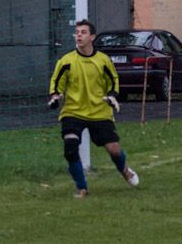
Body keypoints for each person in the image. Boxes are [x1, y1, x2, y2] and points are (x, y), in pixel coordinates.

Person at [49, 19, 139, 198]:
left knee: (113, 149)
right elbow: (56, 83)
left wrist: (111, 96)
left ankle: (124, 170)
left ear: (92, 37)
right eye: (77, 32)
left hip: (99, 111)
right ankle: (82, 188)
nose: (79, 35)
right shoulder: (66, 61)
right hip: (73, 111)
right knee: (70, 147)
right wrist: (55, 96)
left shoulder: (103, 61)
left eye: (83, 32)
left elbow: (113, 82)